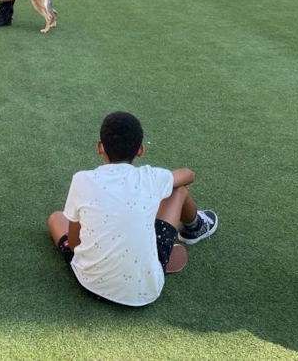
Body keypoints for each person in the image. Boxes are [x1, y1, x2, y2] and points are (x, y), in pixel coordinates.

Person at [47, 111, 218, 306]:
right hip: (145, 292)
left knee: (56, 218)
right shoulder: (151, 178)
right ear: (140, 150)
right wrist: (163, 181)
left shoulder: (81, 179)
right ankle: (195, 228)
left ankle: (133, 257)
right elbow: (188, 174)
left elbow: (74, 244)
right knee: (178, 191)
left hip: (90, 283)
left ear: (99, 147)